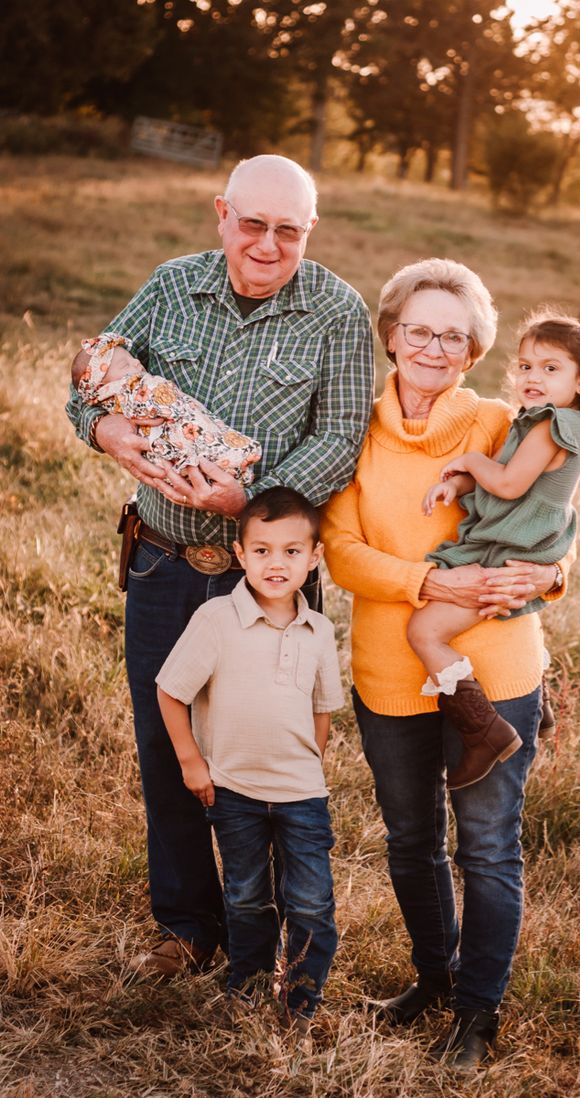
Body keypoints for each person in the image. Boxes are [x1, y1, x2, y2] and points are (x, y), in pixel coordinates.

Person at [65, 154, 374, 978]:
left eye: (289, 230)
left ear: (309, 231)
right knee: (170, 748)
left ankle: (265, 936)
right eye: (252, 223)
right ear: (221, 215)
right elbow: (91, 378)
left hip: (266, 576)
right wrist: (108, 432)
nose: (267, 245)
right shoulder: (172, 286)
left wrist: (254, 508)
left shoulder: (338, 313)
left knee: (266, 758)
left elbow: (340, 439)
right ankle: (186, 927)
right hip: (163, 564)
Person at [320, 258, 574, 1070]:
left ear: (473, 351)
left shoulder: (504, 422)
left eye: (453, 335)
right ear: (392, 337)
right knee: (410, 839)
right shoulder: (351, 429)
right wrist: (429, 579)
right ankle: (434, 977)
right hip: (390, 669)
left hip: (496, 667)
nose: (434, 346)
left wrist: (557, 574)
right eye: (419, 330)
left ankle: (477, 1015)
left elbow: (556, 510)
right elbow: (341, 551)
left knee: (490, 847)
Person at [407, 309, 580, 789]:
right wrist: (462, 483)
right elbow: (510, 483)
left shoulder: (551, 424)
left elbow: (506, 484)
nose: (532, 376)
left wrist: (469, 460)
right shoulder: (538, 421)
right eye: (526, 365)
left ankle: (484, 731)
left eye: (551, 369)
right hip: (512, 542)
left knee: (424, 631)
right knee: (478, 614)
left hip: (506, 550)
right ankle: (540, 703)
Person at [156, 488, 342, 1048]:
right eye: (261, 551)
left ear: (314, 557)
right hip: (233, 788)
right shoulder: (217, 618)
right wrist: (193, 764)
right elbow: (170, 690)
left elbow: (322, 711)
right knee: (245, 894)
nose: (275, 564)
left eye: (290, 551)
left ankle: (301, 999)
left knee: (310, 898)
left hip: (302, 793)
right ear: (240, 555)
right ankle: (249, 984)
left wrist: (305, 767)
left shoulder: (320, 632)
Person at [72, 335, 261, 487]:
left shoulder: (125, 389)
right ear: (103, 387)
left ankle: (236, 472)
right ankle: (238, 458)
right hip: (178, 432)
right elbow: (163, 403)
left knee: (205, 450)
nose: (137, 363)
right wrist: (101, 426)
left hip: (175, 441)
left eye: (132, 359)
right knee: (206, 446)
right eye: (125, 365)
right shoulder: (130, 391)